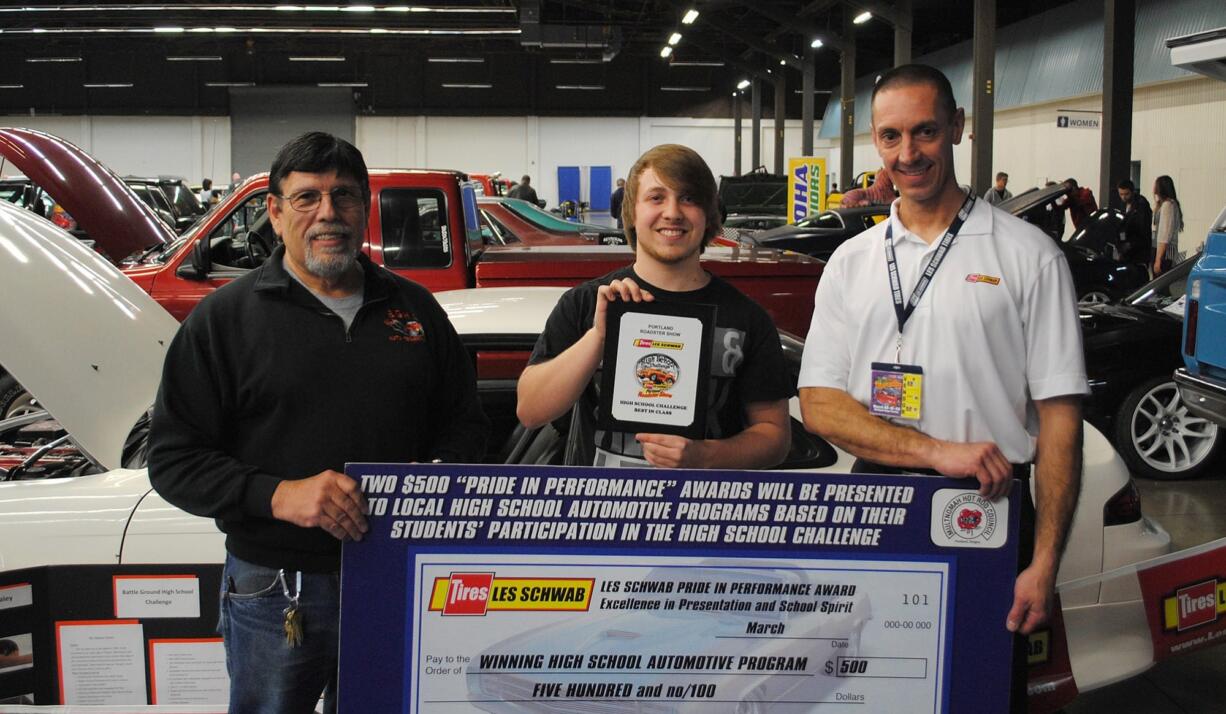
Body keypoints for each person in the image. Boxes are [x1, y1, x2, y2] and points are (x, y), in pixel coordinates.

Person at [148, 132, 488, 713]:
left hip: (398, 575)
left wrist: (434, 476)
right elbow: (175, 460)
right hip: (275, 587)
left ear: (364, 209)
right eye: (307, 198)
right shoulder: (222, 321)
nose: (328, 214)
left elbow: (466, 426)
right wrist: (279, 495)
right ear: (275, 214)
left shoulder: (416, 310)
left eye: (345, 197)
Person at [796, 64, 1086, 712]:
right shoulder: (852, 262)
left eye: (925, 132)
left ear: (957, 127)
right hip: (879, 503)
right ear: (875, 140)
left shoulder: (1028, 255)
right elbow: (819, 404)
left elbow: (1060, 421)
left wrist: (1043, 564)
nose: (908, 153)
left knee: (980, 690)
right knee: (870, 691)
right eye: (892, 136)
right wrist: (934, 451)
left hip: (990, 507)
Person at [517, 144, 792, 470]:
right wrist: (598, 337)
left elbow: (776, 438)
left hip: (700, 514)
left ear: (708, 215)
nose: (673, 212)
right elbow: (531, 411)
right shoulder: (587, 302)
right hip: (600, 515)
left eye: (688, 198)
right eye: (656, 197)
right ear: (633, 212)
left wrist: (705, 456)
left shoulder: (746, 318)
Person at [1152, 174, 1185, 276]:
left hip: (1164, 252)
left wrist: (1158, 259)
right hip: (1165, 251)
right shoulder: (1169, 204)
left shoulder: (1168, 205)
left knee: (1160, 283)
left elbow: (1165, 234)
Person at [1116, 179, 1152, 270]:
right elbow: (1122, 226)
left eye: (1126, 194)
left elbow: (1142, 229)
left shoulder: (1141, 204)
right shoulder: (1122, 204)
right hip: (1127, 249)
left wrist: (1129, 244)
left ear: (1133, 192)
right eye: (1121, 194)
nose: (1123, 197)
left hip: (1139, 250)